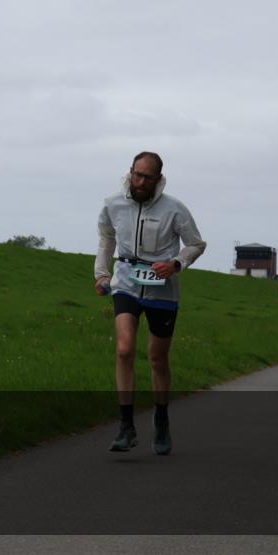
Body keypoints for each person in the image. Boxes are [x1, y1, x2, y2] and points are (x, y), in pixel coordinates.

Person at [95, 152, 207, 455]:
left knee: (157, 359)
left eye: (147, 178)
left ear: (159, 179)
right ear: (130, 171)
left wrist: (175, 264)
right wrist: (101, 273)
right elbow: (106, 238)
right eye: (137, 175)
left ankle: (161, 419)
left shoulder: (174, 209)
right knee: (124, 350)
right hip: (126, 284)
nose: (140, 182)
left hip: (162, 291)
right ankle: (126, 426)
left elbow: (196, 244)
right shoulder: (113, 204)